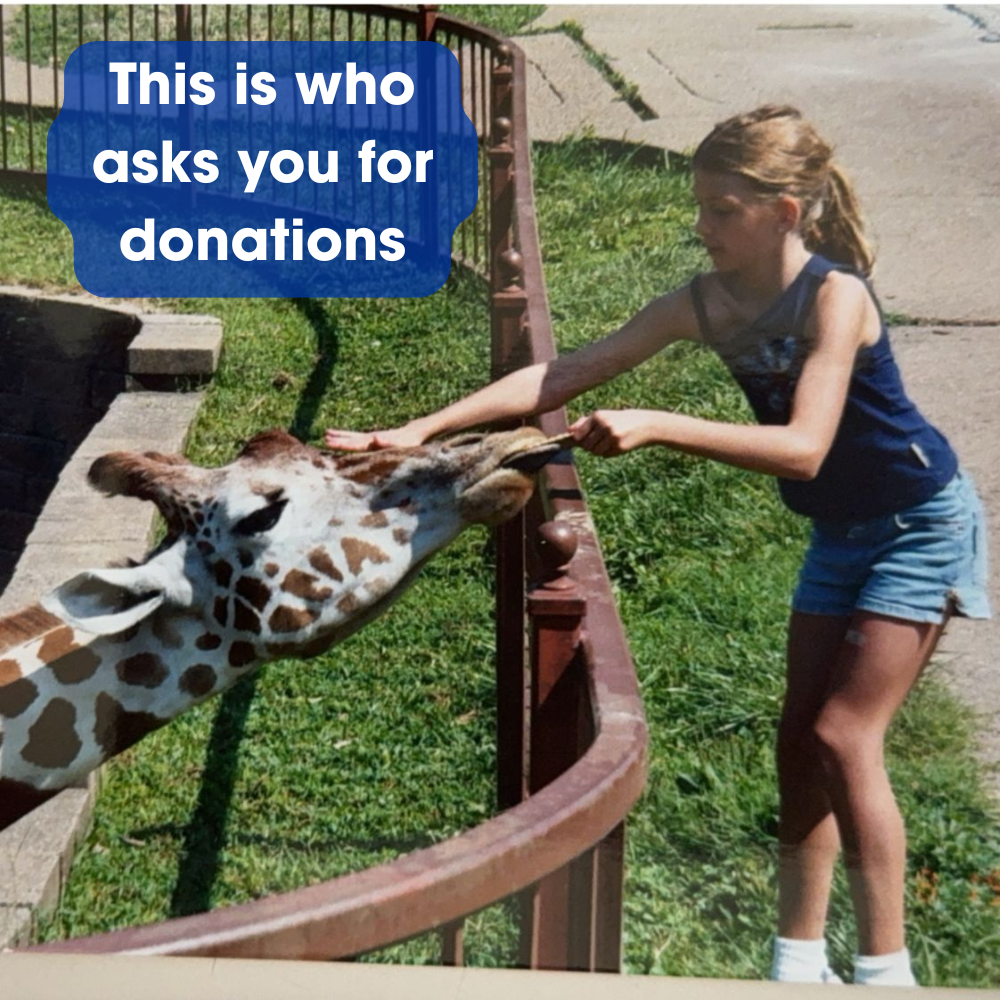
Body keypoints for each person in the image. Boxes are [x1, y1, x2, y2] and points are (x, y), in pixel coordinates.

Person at [325, 105, 991, 985]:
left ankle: (885, 970)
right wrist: (419, 426)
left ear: (784, 213)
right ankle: (797, 959)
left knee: (841, 735)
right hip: (839, 531)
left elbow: (806, 446)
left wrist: (660, 425)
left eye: (721, 210)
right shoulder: (705, 303)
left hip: (918, 523)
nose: (700, 226)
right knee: (800, 741)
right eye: (701, 207)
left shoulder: (837, 298)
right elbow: (560, 374)